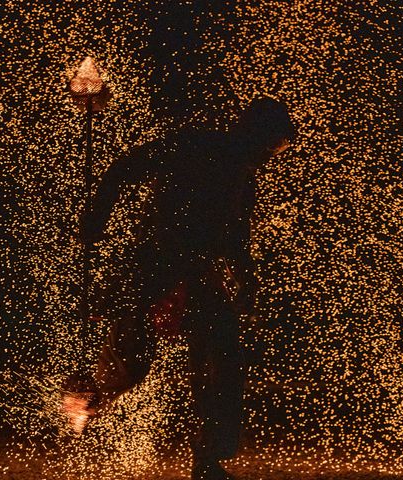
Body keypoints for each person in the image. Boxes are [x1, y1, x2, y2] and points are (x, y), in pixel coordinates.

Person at [70, 97, 296, 480]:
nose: (270, 156)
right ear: (254, 134)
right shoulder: (194, 146)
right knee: (132, 361)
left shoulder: (244, 174)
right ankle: (82, 401)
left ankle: (209, 459)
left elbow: (235, 239)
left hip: (198, 274)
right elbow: (125, 168)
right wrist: (97, 214)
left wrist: (246, 279)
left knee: (222, 361)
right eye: (271, 146)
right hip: (152, 265)